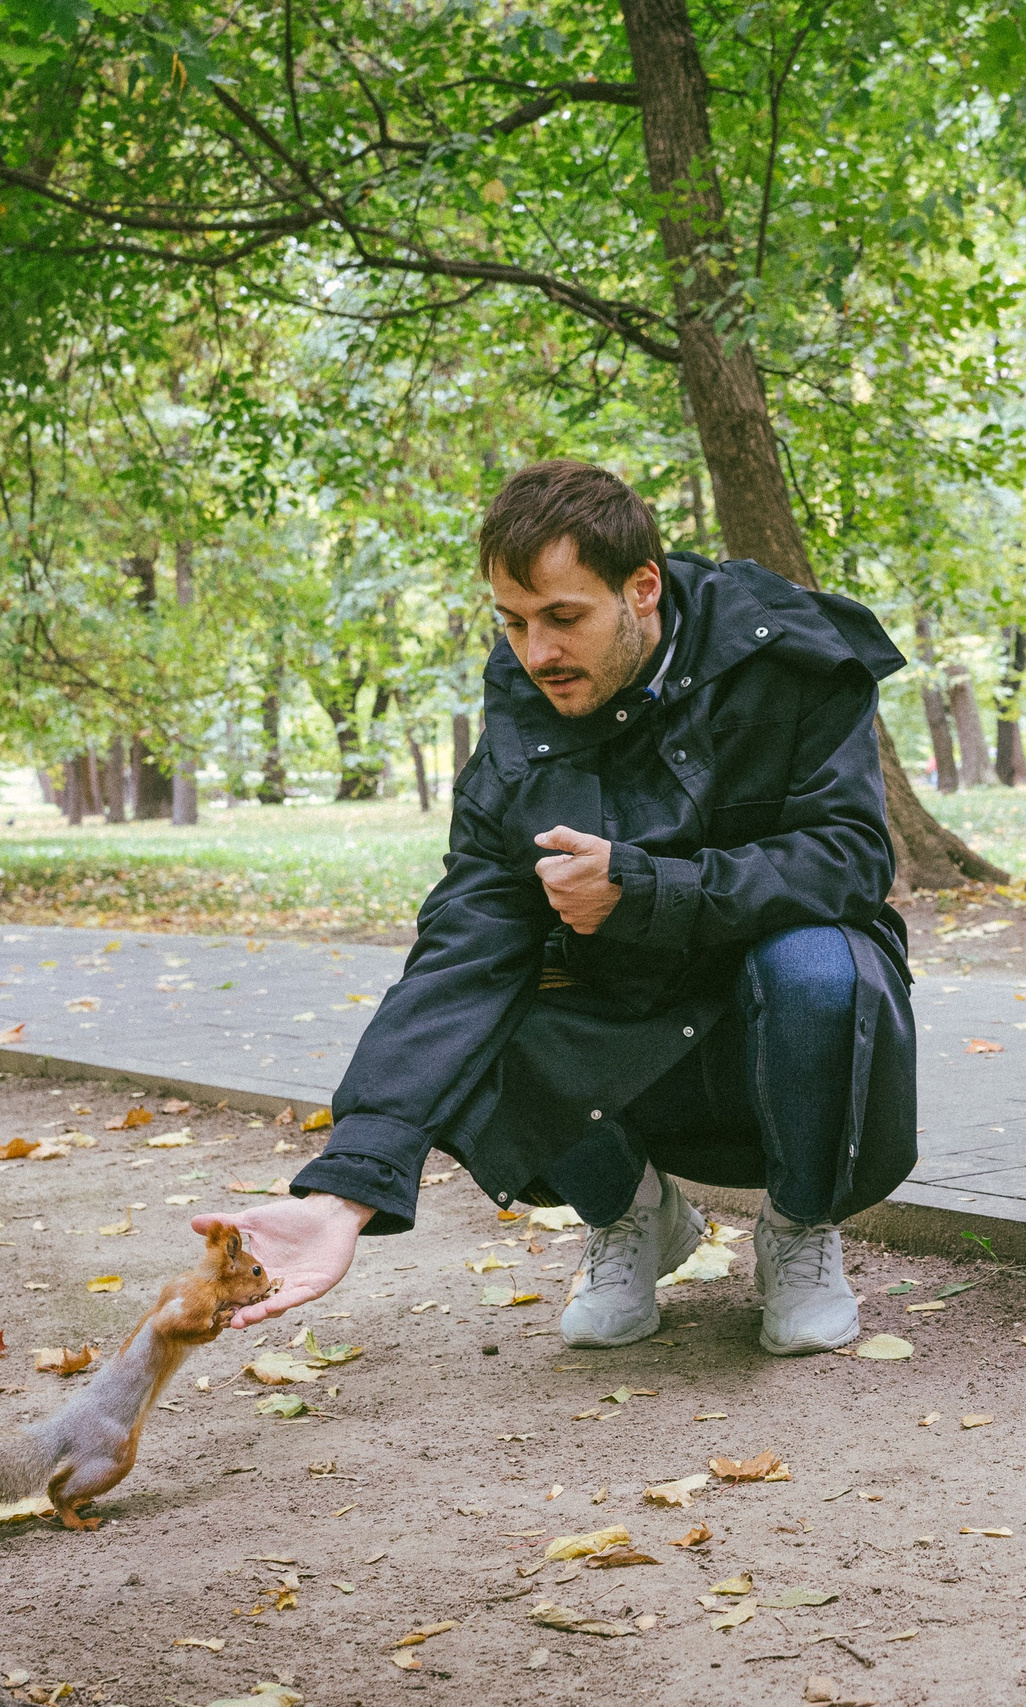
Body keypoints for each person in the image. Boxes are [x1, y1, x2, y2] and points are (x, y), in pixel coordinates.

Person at [194, 460, 917, 1356]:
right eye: (513, 622)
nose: (536, 654)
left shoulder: (787, 656)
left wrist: (647, 886)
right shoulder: (520, 723)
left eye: (563, 617)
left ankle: (800, 1230)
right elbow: (462, 946)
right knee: (498, 990)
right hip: (629, 1014)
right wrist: (345, 1190)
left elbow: (852, 855)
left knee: (814, 964)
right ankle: (632, 1215)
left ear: (642, 589)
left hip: (775, 1019)